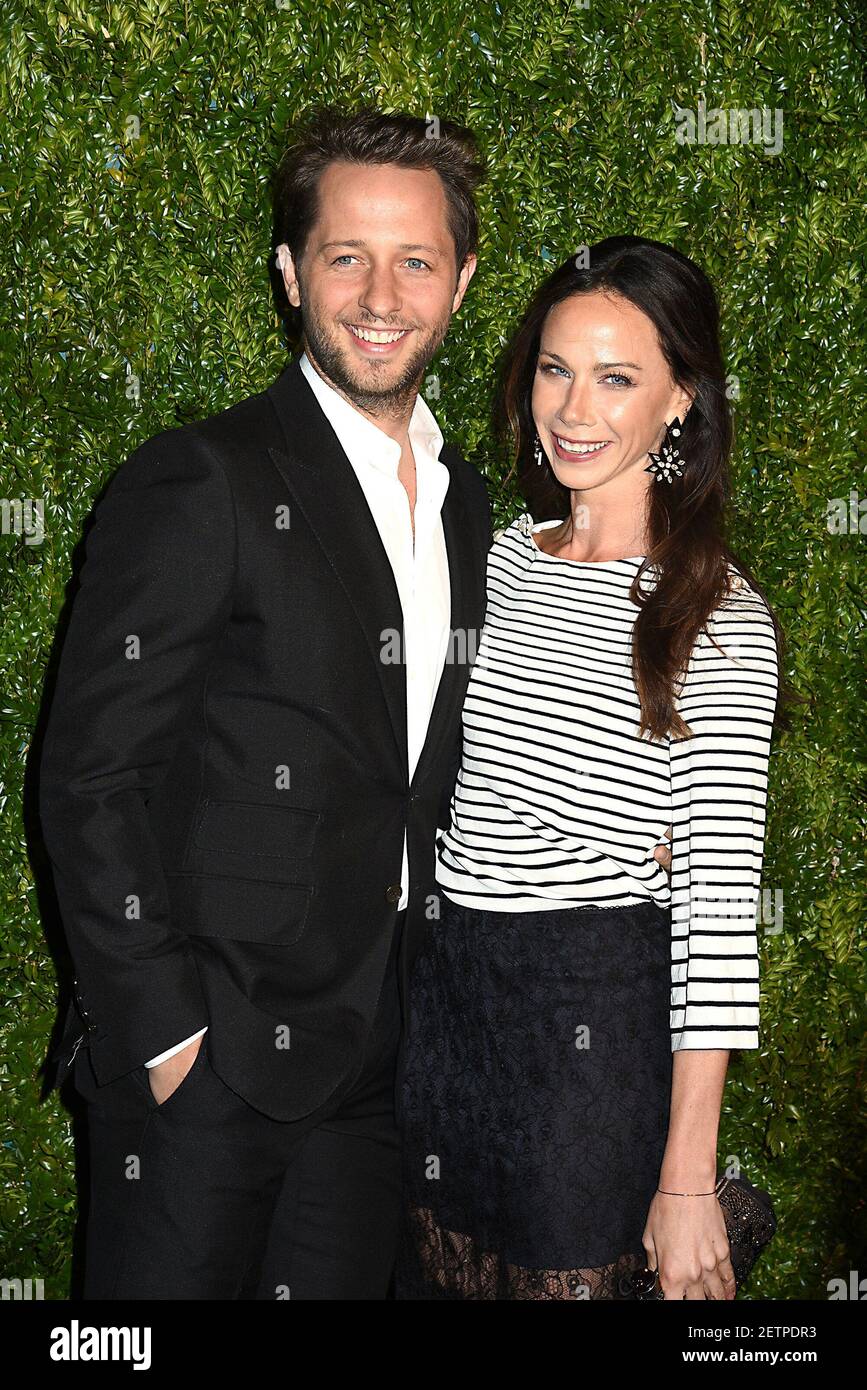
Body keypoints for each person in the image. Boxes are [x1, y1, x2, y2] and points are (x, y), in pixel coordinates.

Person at [38, 107, 494, 1299]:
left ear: (461, 282)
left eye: (416, 260)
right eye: (346, 256)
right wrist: (167, 1035)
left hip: (380, 1065)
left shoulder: (466, 504)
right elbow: (91, 773)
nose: (380, 295)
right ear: (292, 272)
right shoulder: (207, 476)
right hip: (211, 1067)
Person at [395, 236, 782, 1301]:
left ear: (680, 401)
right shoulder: (495, 560)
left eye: (617, 378)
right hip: (447, 1011)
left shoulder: (717, 616)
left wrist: (687, 1178)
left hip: (590, 1028)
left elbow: (717, 908)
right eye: (555, 369)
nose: (572, 409)